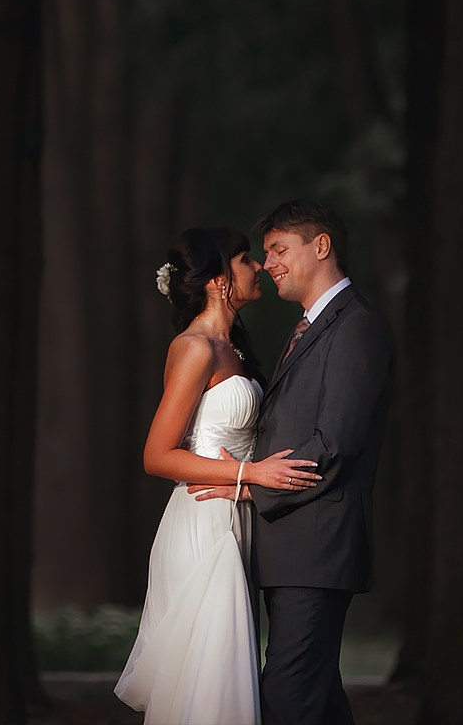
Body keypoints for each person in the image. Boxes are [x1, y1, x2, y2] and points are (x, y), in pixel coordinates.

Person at [196, 200, 394, 725]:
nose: (269, 263)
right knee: (316, 698)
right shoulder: (309, 327)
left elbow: (335, 442)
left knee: (286, 696)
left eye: (279, 249)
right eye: (265, 254)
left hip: (317, 545)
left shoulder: (356, 327)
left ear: (321, 246)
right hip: (290, 547)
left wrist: (249, 486)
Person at [114, 228, 319, 725]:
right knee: (211, 684)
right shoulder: (195, 348)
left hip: (234, 515)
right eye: (245, 259)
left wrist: (245, 484)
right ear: (216, 280)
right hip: (204, 526)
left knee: (225, 676)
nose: (257, 268)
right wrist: (252, 473)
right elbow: (157, 455)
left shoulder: (235, 349)